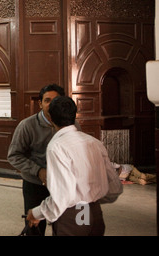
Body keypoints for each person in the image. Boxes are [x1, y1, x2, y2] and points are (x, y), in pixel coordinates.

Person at [27, 96, 123, 236]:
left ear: (51, 119)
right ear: (74, 116)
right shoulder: (94, 142)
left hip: (73, 217)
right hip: (95, 213)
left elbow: (62, 196)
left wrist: (36, 213)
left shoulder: (57, 147)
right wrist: (91, 200)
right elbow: (114, 187)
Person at [7, 83, 67, 235]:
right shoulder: (27, 126)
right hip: (35, 185)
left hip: (63, 186)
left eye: (56, 101)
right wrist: (38, 171)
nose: (51, 105)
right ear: (40, 103)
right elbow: (14, 156)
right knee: (34, 229)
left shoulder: (72, 125)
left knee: (64, 227)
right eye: (47, 101)